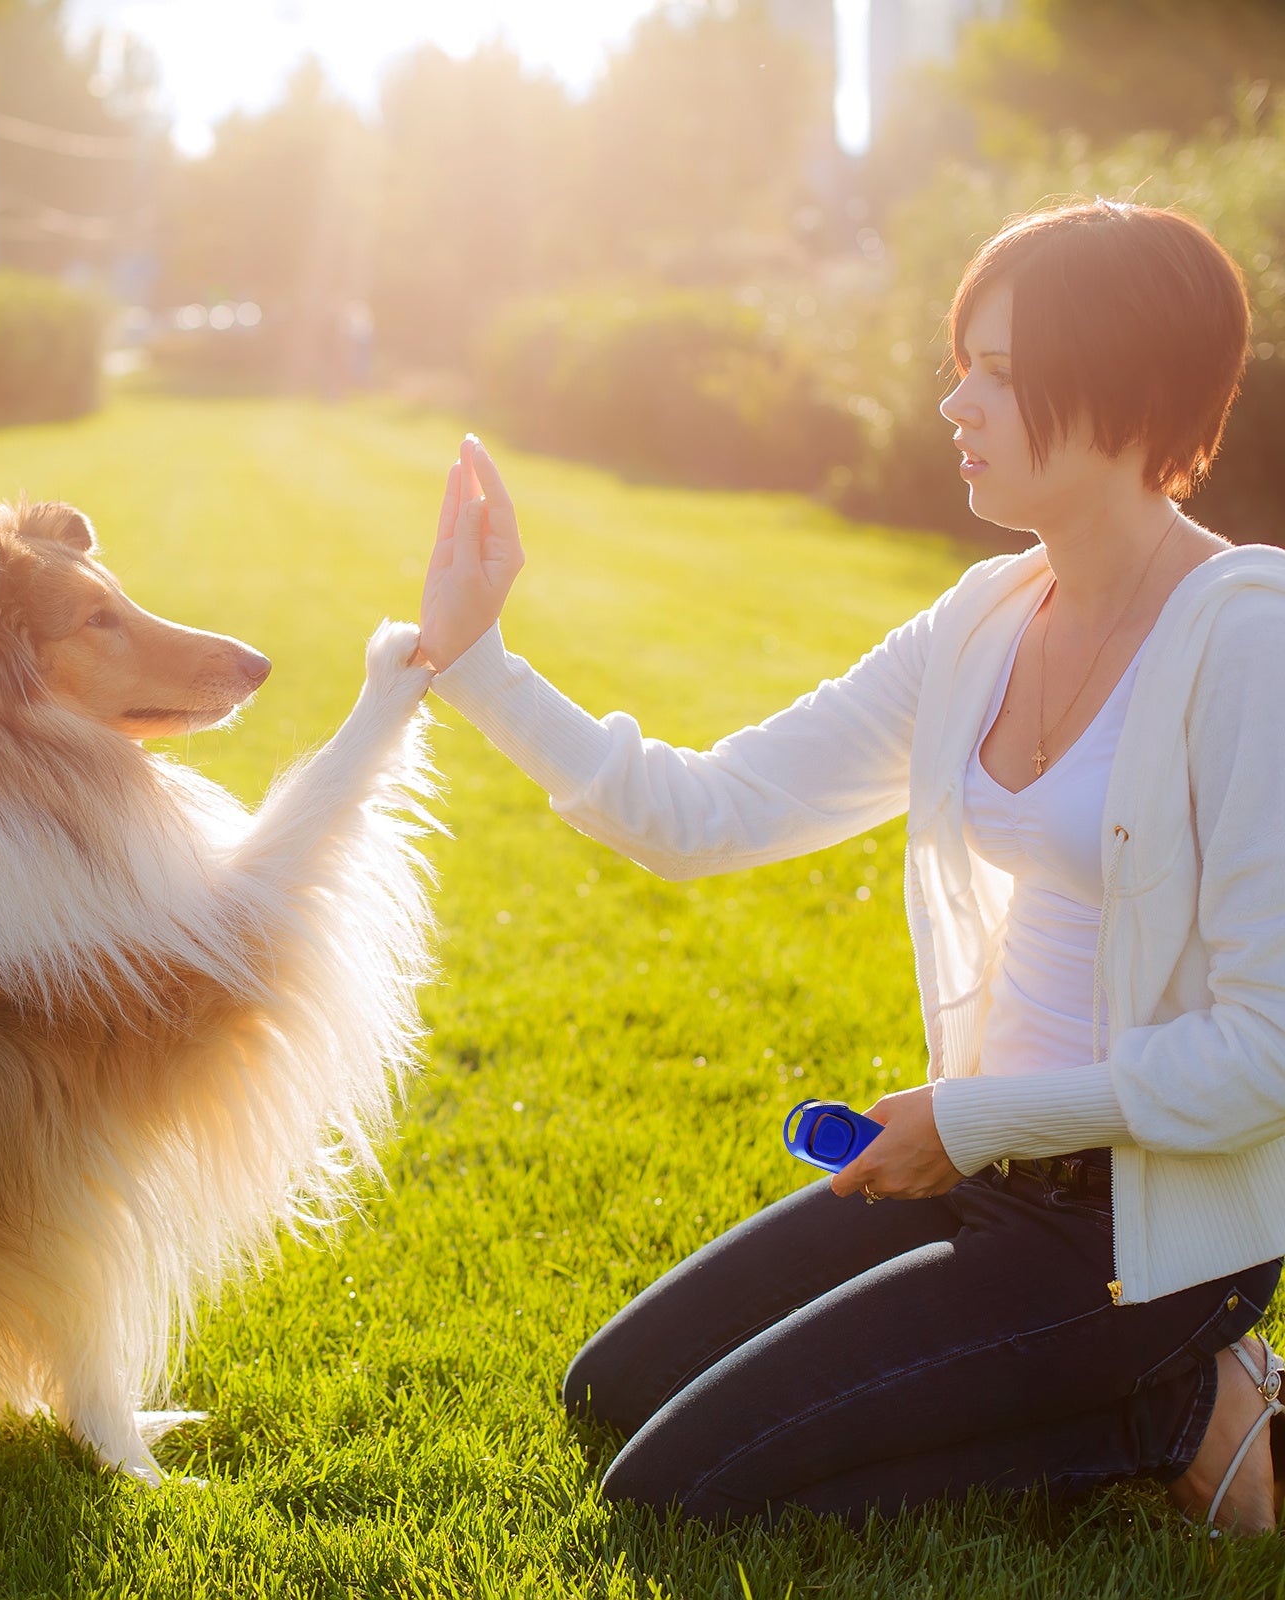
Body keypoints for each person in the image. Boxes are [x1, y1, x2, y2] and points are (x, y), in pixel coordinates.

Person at [407, 200, 1285, 1531]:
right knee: (606, 1393)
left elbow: (1264, 1056)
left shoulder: (1245, 646)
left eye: (995, 370)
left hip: (1146, 1235)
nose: (952, 403)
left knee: (679, 1494)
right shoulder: (979, 623)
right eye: (960, 362)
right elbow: (703, 811)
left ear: (1124, 394)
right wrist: (478, 661)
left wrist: (968, 1119)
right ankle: (1124, 1393)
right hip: (975, 1169)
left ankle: (1172, 1401)